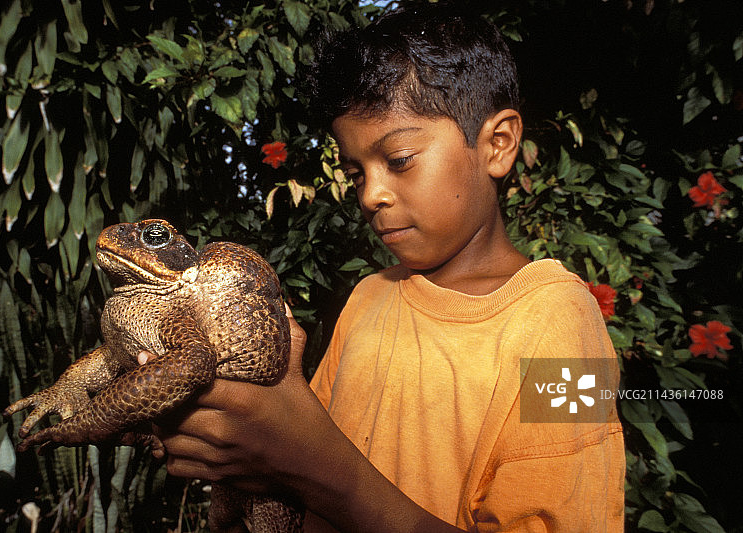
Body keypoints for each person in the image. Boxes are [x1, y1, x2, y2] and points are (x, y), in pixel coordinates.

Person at [147, 3, 625, 531]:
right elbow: (302, 457)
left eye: (398, 160)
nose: (372, 194)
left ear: (498, 144)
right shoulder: (370, 296)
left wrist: (316, 469)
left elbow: (318, 464)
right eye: (355, 172)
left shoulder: (563, 323)